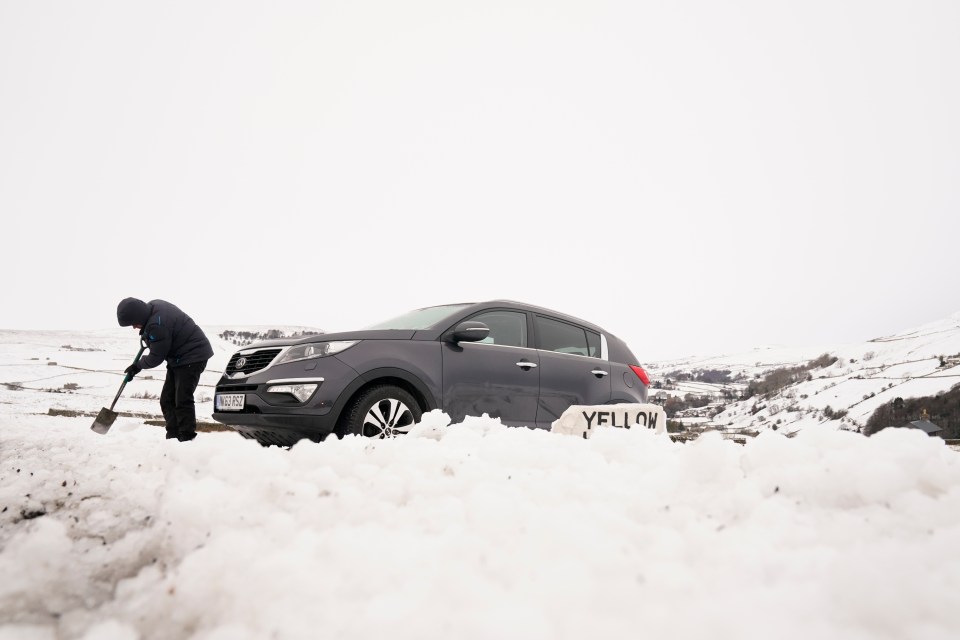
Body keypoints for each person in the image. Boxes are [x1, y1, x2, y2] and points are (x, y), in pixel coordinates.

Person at [116, 297, 214, 441]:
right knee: (167, 400)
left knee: (181, 399)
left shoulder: (157, 324)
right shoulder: (153, 309)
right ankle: (173, 436)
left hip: (193, 355)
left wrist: (137, 366)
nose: (134, 327)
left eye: (134, 323)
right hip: (179, 358)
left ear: (140, 316)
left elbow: (156, 357)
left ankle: (186, 437)